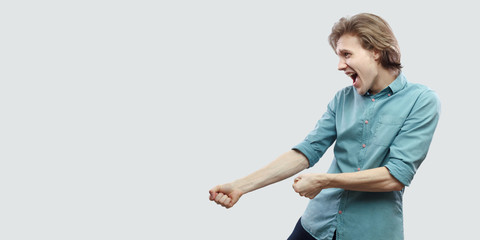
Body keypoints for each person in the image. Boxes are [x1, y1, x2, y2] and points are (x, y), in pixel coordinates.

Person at [208, 13, 440, 240]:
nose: (340, 65)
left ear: (376, 51)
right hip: (315, 226)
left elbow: (395, 177)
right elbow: (307, 150)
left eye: (347, 54)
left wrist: (324, 180)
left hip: (371, 232)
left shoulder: (421, 101)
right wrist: (240, 186)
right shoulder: (342, 99)